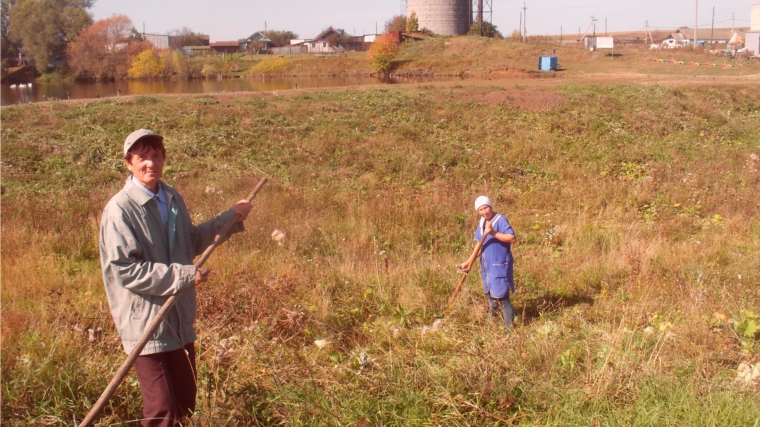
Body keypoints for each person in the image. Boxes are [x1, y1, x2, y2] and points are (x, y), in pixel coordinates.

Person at [99, 129, 252, 426]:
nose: (150, 163)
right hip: (146, 324)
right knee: (162, 412)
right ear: (128, 162)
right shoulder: (119, 210)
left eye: (156, 156)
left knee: (185, 403)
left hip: (179, 320)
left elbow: (190, 241)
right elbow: (125, 270)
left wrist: (229, 218)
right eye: (142, 157)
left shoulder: (171, 198)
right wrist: (183, 276)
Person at [457, 196, 517, 330]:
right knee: (490, 295)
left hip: (499, 265)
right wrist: (469, 261)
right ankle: (492, 323)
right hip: (487, 266)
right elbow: (480, 244)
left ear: (491, 206)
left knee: (502, 298)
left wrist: (494, 233)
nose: (484, 212)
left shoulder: (500, 220)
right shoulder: (482, 222)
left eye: (486, 208)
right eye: (481, 209)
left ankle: (510, 330)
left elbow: (512, 238)